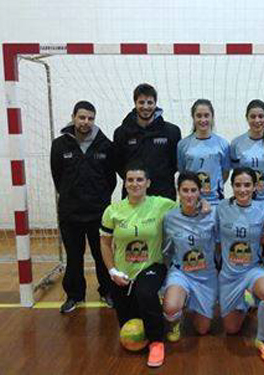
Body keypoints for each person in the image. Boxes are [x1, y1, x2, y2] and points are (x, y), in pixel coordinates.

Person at [100, 160, 177, 367]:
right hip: (122, 271)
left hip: (152, 266)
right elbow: (105, 244)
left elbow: (188, 204)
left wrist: (202, 204)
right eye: (130, 180)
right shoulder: (113, 211)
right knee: (130, 323)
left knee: (145, 293)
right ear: (124, 184)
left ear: (148, 183)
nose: (135, 184)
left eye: (139, 180)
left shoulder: (162, 204)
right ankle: (153, 327)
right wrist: (112, 271)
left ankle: (157, 343)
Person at [50, 101, 116, 314]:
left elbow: (111, 180)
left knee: (102, 255)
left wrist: (99, 197)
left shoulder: (105, 144)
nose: (86, 122)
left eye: (90, 118)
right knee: (74, 257)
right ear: (74, 117)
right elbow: (57, 177)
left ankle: (107, 291)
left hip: (99, 213)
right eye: (82, 117)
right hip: (71, 214)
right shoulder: (60, 145)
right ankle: (74, 296)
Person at [216, 167, 264, 364]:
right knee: (231, 329)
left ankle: (263, 340)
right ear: (231, 186)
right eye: (237, 185)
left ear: (255, 187)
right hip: (229, 275)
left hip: (253, 270)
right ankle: (246, 301)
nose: (242, 189)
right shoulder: (221, 207)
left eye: (247, 185)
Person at [162, 171, 219, 343]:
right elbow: (166, 251)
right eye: (185, 190)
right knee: (171, 307)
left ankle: (193, 301)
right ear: (178, 191)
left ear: (200, 192)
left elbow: (220, 244)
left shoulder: (213, 214)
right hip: (182, 273)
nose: (189, 194)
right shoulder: (169, 218)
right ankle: (176, 316)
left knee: (202, 330)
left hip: (206, 275)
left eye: (194, 190)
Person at [113, 83, 181, 200]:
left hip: (163, 195)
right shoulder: (121, 133)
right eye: (141, 102)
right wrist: (137, 181)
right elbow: (118, 165)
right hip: (133, 196)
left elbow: (176, 163)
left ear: (155, 104)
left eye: (149, 102)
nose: (145, 107)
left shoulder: (171, 131)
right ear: (135, 103)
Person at [230, 100, 264, 207]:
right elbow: (237, 171)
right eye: (253, 116)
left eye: (261, 116)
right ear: (247, 118)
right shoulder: (236, 143)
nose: (257, 120)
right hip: (246, 200)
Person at [177, 99, 231, 206]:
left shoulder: (223, 144)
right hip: (191, 201)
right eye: (199, 116)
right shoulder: (183, 144)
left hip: (215, 201)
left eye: (206, 115)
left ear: (212, 117)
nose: (203, 119)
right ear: (193, 117)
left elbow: (225, 173)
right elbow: (182, 170)